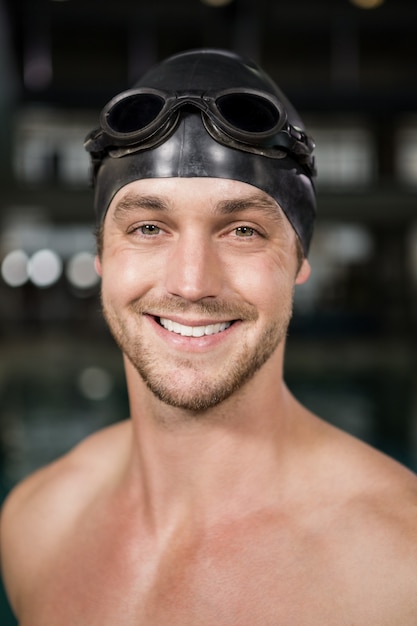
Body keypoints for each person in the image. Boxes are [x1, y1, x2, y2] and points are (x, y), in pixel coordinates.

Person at [1, 49, 417, 625]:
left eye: (242, 230)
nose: (192, 283)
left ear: (299, 258)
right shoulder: (36, 522)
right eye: (149, 227)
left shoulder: (401, 568)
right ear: (101, 255)